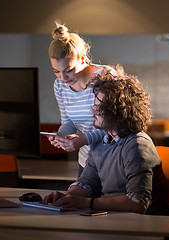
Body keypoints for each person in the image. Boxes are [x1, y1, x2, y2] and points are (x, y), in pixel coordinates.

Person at [43, 65, 168, 215]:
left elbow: (137, 203)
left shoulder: (137, 144)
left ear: (117, 111)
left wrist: (87, 203)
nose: (92, 110)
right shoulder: (102, 142)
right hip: (113, 218)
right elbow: (87, 183)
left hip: (141, 225)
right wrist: (68, 196)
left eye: (98, 106)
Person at [47, 23, 116, 176]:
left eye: (69, 70)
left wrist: (86, 139)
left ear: (83, 59)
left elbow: (116, 125)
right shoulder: (59, 86)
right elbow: (68, 122)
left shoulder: (105, 75)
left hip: (113, 159)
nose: (63, 78)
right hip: (87, 161)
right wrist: (61, 137)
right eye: (56, 71)